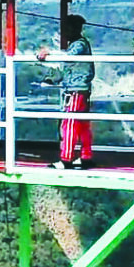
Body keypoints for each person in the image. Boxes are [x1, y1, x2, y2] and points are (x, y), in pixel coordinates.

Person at [36, 15, 95, 169]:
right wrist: (53, 79)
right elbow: (66, 68)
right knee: (82, 125)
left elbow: (68, 59)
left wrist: (47, 56)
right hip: (80, 89)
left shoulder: (79, 45)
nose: (65, 32)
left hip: (76, 90)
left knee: (69, 123)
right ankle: (85, 156)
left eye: (68, 28)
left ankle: (66, 159)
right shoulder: (78, 45)